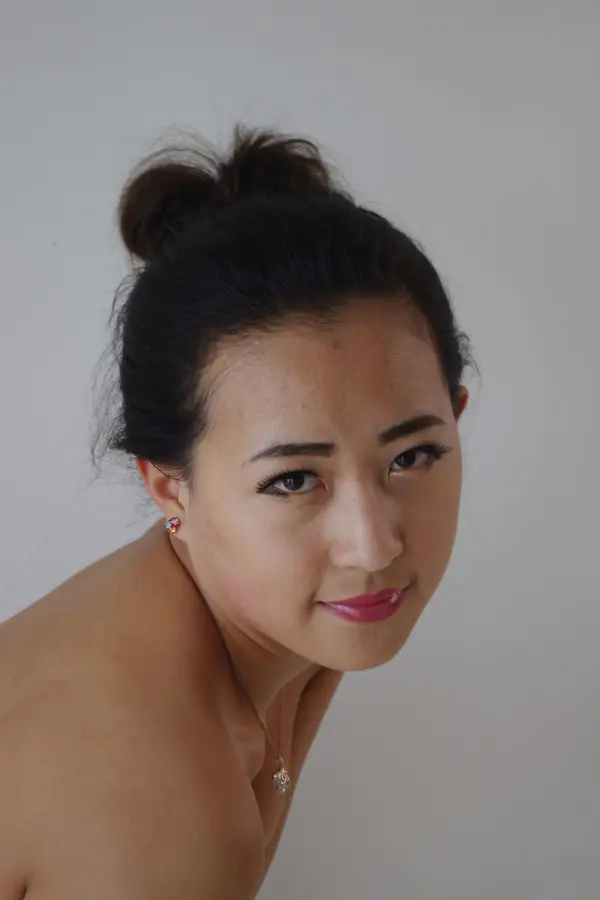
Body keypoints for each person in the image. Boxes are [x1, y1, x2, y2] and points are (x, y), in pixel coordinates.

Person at [0, 125, 472, 899]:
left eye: (411, 456)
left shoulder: (281, 615)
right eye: (294, 480)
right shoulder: (158, 796)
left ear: (456, 416)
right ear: (169, 488)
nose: (373, 545)